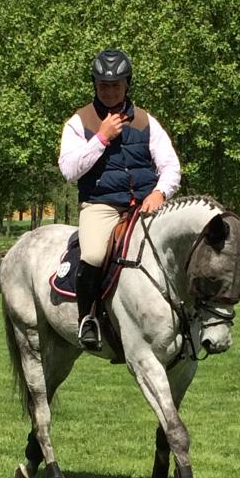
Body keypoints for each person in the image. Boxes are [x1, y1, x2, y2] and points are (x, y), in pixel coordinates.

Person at [58, 49, 181, 351]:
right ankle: (88, 319)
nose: (110, 91)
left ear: (127, 84)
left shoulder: (146, 121)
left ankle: (190, 316)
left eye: (116, 85)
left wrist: (159, 192)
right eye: (103, 85)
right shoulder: (79, 122)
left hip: (146, 205)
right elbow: (69, 170)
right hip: (101, 205)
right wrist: (100, 137)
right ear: (95, 85)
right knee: (94, 255)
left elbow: (170, 166)